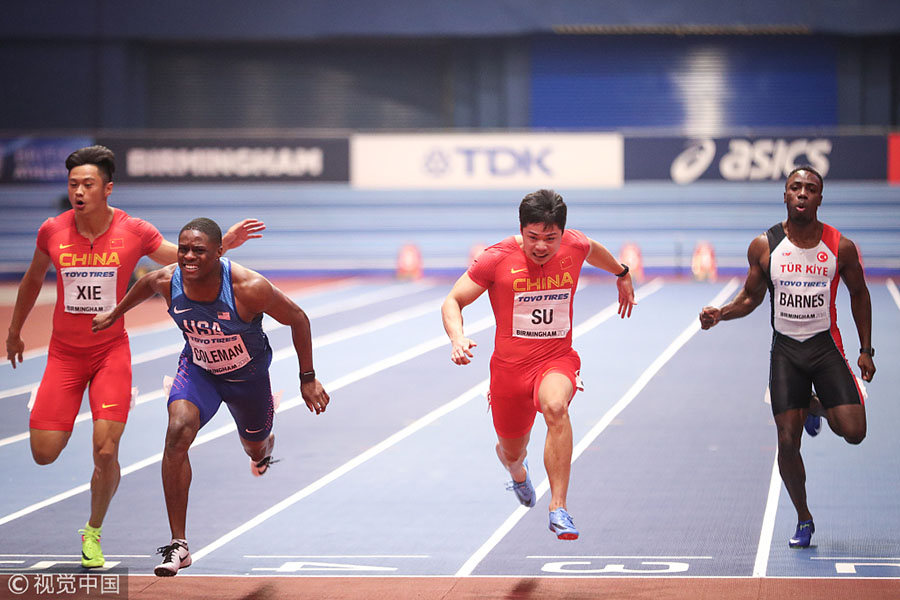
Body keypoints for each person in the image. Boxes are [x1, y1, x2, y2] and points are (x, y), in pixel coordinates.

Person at [5, 145, 265, 568]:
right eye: (73, 184)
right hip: (64, 356)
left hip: (110, 353)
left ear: (107, 188)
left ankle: (92, 531)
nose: (78, 192)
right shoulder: (52, 230)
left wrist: (224, 244)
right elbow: (34, 278)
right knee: (43, 452)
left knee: (105, 452)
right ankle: (50, 401)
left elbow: (181, 260)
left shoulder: (133, 230)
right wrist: (15, 332)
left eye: (87, 184)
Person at [92, 217, 330, 576]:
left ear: (220, 252)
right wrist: (116, 312)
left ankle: (263, 449)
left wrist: (307, 378)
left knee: (255, 446)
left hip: (247, 379)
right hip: (199, 371)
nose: (187, 257)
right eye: (183, 249)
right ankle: (179, 544)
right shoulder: (167, 280)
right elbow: (144, 284)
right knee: (177, 433)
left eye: (198, 251)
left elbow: (298, 318)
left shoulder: (248, 287)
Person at [441, 189, 635, 540]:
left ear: (562, 232)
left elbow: (591, 249)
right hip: (508, 373)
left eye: (550, 238)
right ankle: (517, 472)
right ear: (521, 230)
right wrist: (457, 338)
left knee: (556, 406)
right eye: (533, 238)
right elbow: (453, 300)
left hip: (555, 359)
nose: (541, 246)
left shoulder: (574, 245)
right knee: (512, 451)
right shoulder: (496, 258)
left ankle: (558, 507)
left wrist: (622, 271)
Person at [699, 166, 874, 549]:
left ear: (820, 199)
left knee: (854, 432)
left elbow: (860, 294)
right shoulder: (765, 246)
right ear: (784, 195)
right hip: (787, 352)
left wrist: (865, 350)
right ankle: (804, 518)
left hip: (825, 348)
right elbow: (750, 298)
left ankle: (815, 407)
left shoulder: (840, 247)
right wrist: (721, 313)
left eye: (810, 189)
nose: (802, 193)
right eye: (795, 187)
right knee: (787, 440)